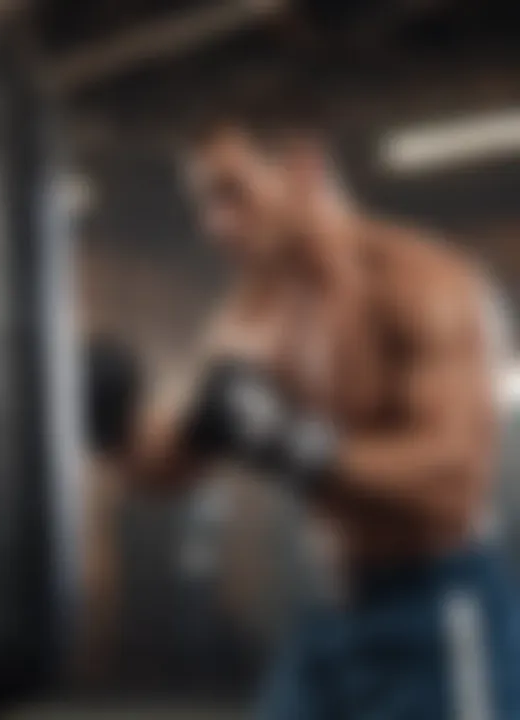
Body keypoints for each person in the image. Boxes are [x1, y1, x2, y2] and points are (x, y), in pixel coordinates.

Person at [88, 89, 519, 719]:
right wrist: (111, 423)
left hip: (436, 607)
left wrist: (293, 444)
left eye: (232, 192)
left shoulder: (422, 281)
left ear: (303, 167)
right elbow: (179, 459)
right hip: (330, 611)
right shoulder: (250, 319)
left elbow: (452, 482)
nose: (216, 225)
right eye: (205, 203)